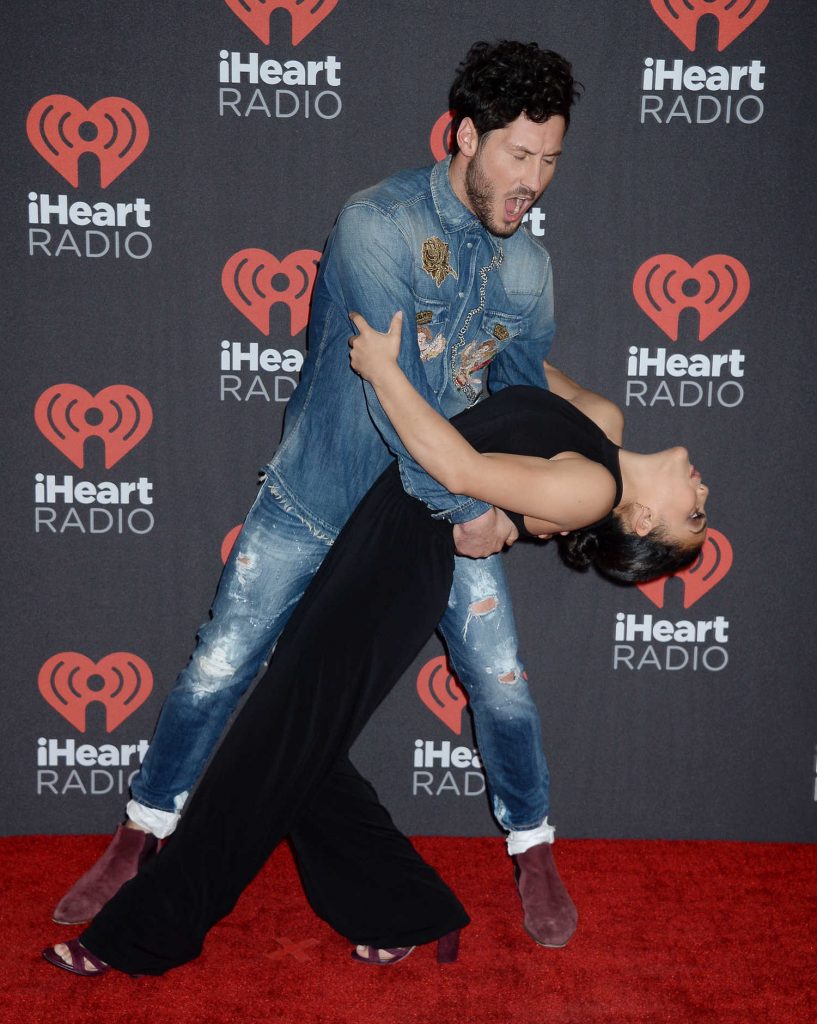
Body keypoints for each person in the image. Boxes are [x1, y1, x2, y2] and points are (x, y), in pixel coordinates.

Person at [53, 39, 585, 949]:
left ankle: (532, 848)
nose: (532, 178)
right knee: (221, 668)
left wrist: (540, 492)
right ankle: (141, 834)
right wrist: (474, 512)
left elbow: (520, 399)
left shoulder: (528, 271)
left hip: (425, 521)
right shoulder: (373, 226)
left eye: (548, 160)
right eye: (516, 154)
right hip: (318, 499)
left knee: (499, 684)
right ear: (464, 136)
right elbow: (393, 396)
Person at [42, 325, 709, 977]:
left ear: (644, 521)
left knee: (273, 746)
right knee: (302, 747)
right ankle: (404, 909)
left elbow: (457, 466)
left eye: (696, 513)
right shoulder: (602, 424)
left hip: (400, 570)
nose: (703, 493)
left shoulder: (589, 491)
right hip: (379, 531)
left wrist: (386, 370)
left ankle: (147, 933)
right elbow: (514, 364)